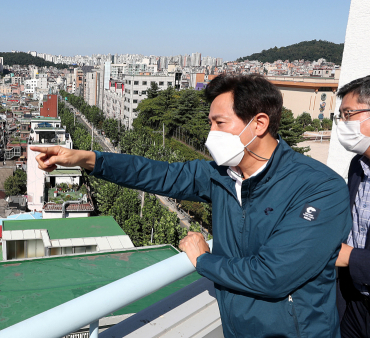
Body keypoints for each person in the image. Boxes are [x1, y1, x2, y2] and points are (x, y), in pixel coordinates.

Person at [32, 74, 351, 338]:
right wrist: (89, 159)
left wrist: (203, 260)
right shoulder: (223, 176)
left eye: (220, 123)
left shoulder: (319, 188)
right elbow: (156, 174)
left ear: (259, 123)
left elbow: (272, 276)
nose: (211, 134)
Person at [335, 75, 370, 338]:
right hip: (354, 301)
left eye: (348, 114)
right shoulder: (358, 165)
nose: (342, 124)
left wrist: (349, 257)